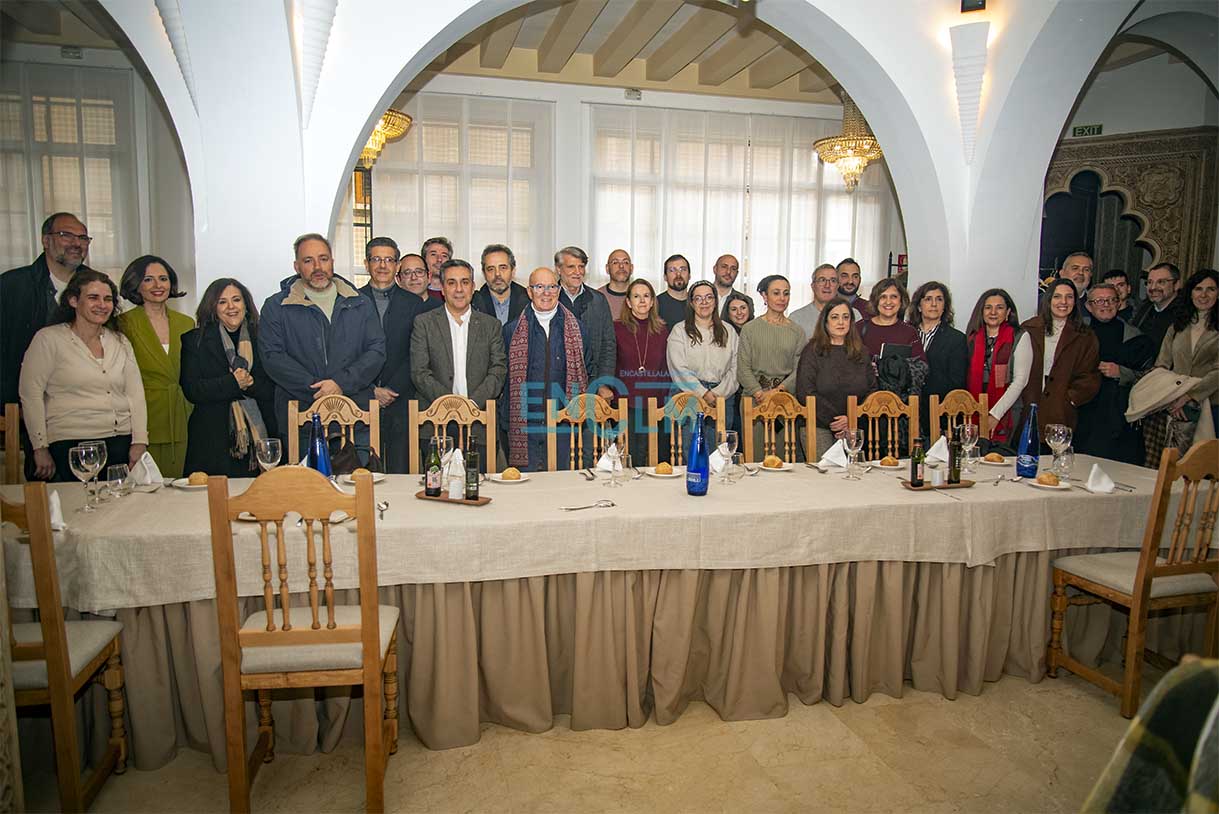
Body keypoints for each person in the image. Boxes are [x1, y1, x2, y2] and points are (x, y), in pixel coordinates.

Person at [19, 269, 148, 481]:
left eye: (108, 299)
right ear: (73, 301)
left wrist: (139, 441)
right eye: (93, 298)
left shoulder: (120, 341)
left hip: (119, 441)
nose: (102, 305)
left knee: (121, 500)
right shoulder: (48, 339)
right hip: (70, 444)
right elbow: (30, 395)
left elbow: (135, 394)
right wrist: (39, 447)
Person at [259, 233, 386, 444]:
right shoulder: (276, 307)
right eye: (308, 261)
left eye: (323, 259)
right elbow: (273, 357)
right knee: (306, 469)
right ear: (297, 266)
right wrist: (318, 389)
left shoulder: (360, 302)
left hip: (357, 418)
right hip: (302, 420)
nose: (318, 267)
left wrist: (340, 384)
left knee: (360, 468)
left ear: (332, 262)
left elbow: (376, 350)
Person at [2, 212, 95, 479]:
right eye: (66, 235)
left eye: (83, 238)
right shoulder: (11, 286)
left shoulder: (96, 284)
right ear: (45, 240)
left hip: (87, 415)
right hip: (30, 411)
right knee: (47, 494)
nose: (76, 243)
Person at [410, 259, 508, 470]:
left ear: (473, 287)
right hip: (436, 424)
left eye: (464, 282)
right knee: (437, 486)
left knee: (479, 484)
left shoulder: (491, 325)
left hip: (479, 422)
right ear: (442, 288)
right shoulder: (424, 323)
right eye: (452, 283)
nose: (459, 289)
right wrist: (451, 406)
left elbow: (498, 371)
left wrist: (470, 405)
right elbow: (420, 372)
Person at [179, 278, 277, 476]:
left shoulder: (264, 338)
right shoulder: (195, 340)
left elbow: (274, 388)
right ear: (212, 307)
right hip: (212, 441)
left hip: (259, 436)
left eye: (236, 300)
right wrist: (232, 383)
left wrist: (250, 383)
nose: (231, 307)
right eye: (222, 302)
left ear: (246, 305)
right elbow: (192, 389)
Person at [501, 267, 591, 471]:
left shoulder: (578, 329)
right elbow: (504, 380)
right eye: (539, 287)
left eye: (551, 287)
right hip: (525, 425)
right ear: (529, 291)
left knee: (562, 484)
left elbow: (588, 370)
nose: (546, 293)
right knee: (526, 484)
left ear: (559, 291)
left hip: (564, 424)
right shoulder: (511, 331)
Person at [117, 255, 195, 478]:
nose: (158, 285)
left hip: (183, 413)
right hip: (145, 416)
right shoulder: (123, 324)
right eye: (148, 279)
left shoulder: (186, 322)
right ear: (136, 284)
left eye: (163, 278)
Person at [359, 237, 430, 473]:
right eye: (376, 259)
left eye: (389, 260)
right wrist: (371, 390)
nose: (382, 265)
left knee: (401, 473)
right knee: (364, 472)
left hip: (402, 400)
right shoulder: (351, 301)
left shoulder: (414, 303)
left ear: (397, 265)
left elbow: (417, 353)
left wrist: (391, 389)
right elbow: (347, 353)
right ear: (366, 263)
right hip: (361, 399)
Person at [1073, 283, 1155, 464]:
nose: (1106, 305)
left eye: (1111, 300)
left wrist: (1122, 373)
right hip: (1082, 413)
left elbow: (1150, 377)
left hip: (1118, 416)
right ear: (1088, 306)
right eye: (1099, 301)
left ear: (1118, 304)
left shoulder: (1136, 337)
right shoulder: (1075, 334)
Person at [1019, 277, 1101, 435]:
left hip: (1061, 409)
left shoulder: (1085, 336)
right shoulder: (1029, 328)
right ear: (1049, 300)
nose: (1063, 302)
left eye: (1069, 297)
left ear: (1075, 302)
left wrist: (1071, 398)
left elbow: (1090, 375)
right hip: (1029, 404)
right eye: (1057, 296)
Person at [795, 299, 877, 456]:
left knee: (854, 469)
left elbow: (872, 390)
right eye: (835, 317)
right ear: (825, 322)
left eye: (846, 317)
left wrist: (851, 418)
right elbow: (805, 392)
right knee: (827, 470)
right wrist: (836, 421)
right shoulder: (812, 351)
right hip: (818, 424)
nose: (841, 322)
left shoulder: (861, 352)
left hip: (854, 424)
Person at [737, 275, 805, 458]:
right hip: (754, 400)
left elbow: (799, 369)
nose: (782, 298)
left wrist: (777, 392)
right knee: (755, 458)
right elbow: (742, 368)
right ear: (764, 296)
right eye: (776, 293)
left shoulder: (797, 331)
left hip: (785, 401)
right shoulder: (750, 329)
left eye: (786, 293)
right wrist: (760, 394)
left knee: (783, 459)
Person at [667, 280, 739, 451]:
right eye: (698, 298)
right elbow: (678, 368)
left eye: (708, 297)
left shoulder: (729, 331)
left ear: (715, 301)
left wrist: (717, 393)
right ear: (691, 303)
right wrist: (703, 393)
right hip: (688, 395)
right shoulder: (679, 330)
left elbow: (736, 368)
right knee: (690, 451)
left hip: (722, 397)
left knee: (719, 453)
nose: (704, 302)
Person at [1153, 268, 1218, 440]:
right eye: (1198, 289)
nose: (1203, 295)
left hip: (1212, 405)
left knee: (1206, 456)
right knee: (1175, 456)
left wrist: (1190, 396)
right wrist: (1171, 397)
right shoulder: (1177, 327)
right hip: (1175, 405)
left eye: (1211, 289)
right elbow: (1161, 365)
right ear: (1190, 293)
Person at [612, 279, 670, 459]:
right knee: (628, 456)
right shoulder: (616, 328)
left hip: (655, 403)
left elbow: (666, 367)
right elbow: (611, 363)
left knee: (652, 457)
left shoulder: (662, 330)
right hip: (625, 403)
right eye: (636, 296)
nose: (642, 301)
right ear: (629, 302)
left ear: (652, 301)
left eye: (646, 296)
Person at [964, 289, 1031, 443]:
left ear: (1008, 312)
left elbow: (1020, 381)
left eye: (999, 308)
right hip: (975, 409)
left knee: (999, 453)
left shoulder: (1020, 337)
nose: (993, 312)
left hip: (1007, 411)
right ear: (981, 312)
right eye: (988, 307)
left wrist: (995, 415)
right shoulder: (972, 338)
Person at [908, 281, 967, 439]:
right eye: (928, 299)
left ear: (945, 306)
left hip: (940, 415)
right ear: (919, 306)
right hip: (908, 412)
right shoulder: (906, 334)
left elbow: (957, 383)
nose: (934, 304)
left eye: (939, 299)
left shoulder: (957, 339)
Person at [555, 246, 616, 397]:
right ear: (558, 269)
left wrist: (603, 383)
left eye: (581, 266)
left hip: (592, 383)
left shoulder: (598, 300)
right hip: (556, 384)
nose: (577, 272)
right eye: (571, 267)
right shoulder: (549, 299)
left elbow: (608, 345)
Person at [471, 244, 529, 327]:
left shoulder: (529, 300)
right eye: (491, 269)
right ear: (484, 273)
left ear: (513, 271)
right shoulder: (473, 303)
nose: (497, 274)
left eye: (503, 268)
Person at [1132, 262, 1184, 352]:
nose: (1153, 288)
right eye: (1149, 282)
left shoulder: (1184, 314)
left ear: (1176, 285)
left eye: (1161, 282)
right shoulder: (1144, 308)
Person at [789, 263, 839, 338]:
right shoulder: (796, 318)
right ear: (813, 286)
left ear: (838, 286)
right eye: (822, 280)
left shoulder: (853, 315)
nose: (827, 285)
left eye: (833, 280)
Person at [656, 254, 691, 328]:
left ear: (689, 275)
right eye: (672, 270)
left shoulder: (698, 304)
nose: (678, 274)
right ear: (665, 277)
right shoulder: (655, 305)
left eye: (683, 269)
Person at [599, 249, 632, 320]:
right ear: (607, 268)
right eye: (615, 262)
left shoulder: (642, 298)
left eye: (626, 262)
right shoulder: (596, 298)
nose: (621, 266)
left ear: (631, 268)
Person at [421, 236, 452, 301]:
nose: (439, 259)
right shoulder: (416, 292)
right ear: (423, 259)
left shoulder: (456, 293)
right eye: (433, 254)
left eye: (444, 256)